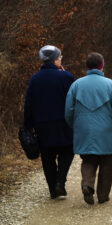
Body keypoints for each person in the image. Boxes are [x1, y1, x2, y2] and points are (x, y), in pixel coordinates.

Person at [65, 52, 112, 205]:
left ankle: (87, 184)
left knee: (88, 159)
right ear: (102, 65)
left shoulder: (76, 85)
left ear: (87, 66)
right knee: (107, 162)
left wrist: (75, 126)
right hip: (106, 130)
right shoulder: (111, 85)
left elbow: (68, 110)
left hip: (83, 128)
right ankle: (103, 195)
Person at [24, 45, 75, 199]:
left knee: (47, 157)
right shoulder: (66, 77)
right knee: (67, 152)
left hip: (42, 124)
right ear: (54, 60)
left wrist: (28, 125)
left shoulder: (34, 79)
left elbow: (29, 104)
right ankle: (60, 182)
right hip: (64, 124)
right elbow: (75, 100)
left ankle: (53, 190)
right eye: (60, 57)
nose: (61, 59)